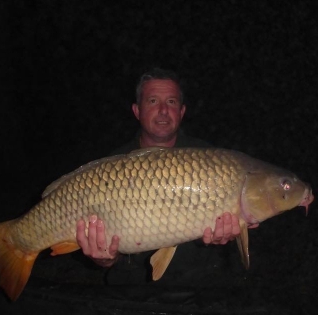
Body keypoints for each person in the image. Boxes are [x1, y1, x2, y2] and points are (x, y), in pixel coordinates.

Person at [76, 68, 241, 284]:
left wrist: (223, 236)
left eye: (171, 102)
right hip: (132, 286)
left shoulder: (210, 159)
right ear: (137, 111)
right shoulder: (113, 166)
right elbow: (105, 258)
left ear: (181, 112)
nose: (163, 110)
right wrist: (103, 259)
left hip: (199, 284)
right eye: (153, 101)